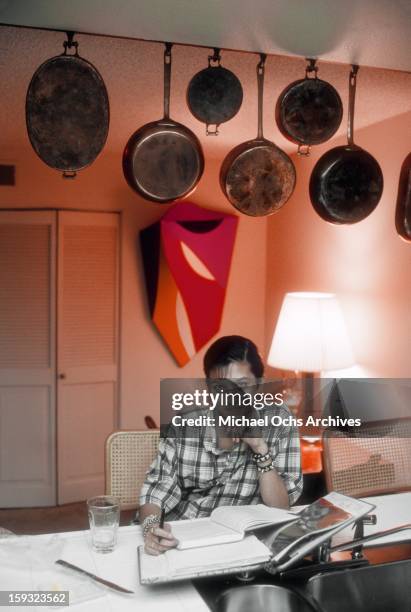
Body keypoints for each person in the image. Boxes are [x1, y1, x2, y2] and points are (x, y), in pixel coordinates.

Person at [139, 335, 302, 555]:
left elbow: (281, 509)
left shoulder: (279, 419)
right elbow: (155, 492)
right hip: (182, 537)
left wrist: (260, 449)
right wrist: (151, 528)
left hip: (243, 543)